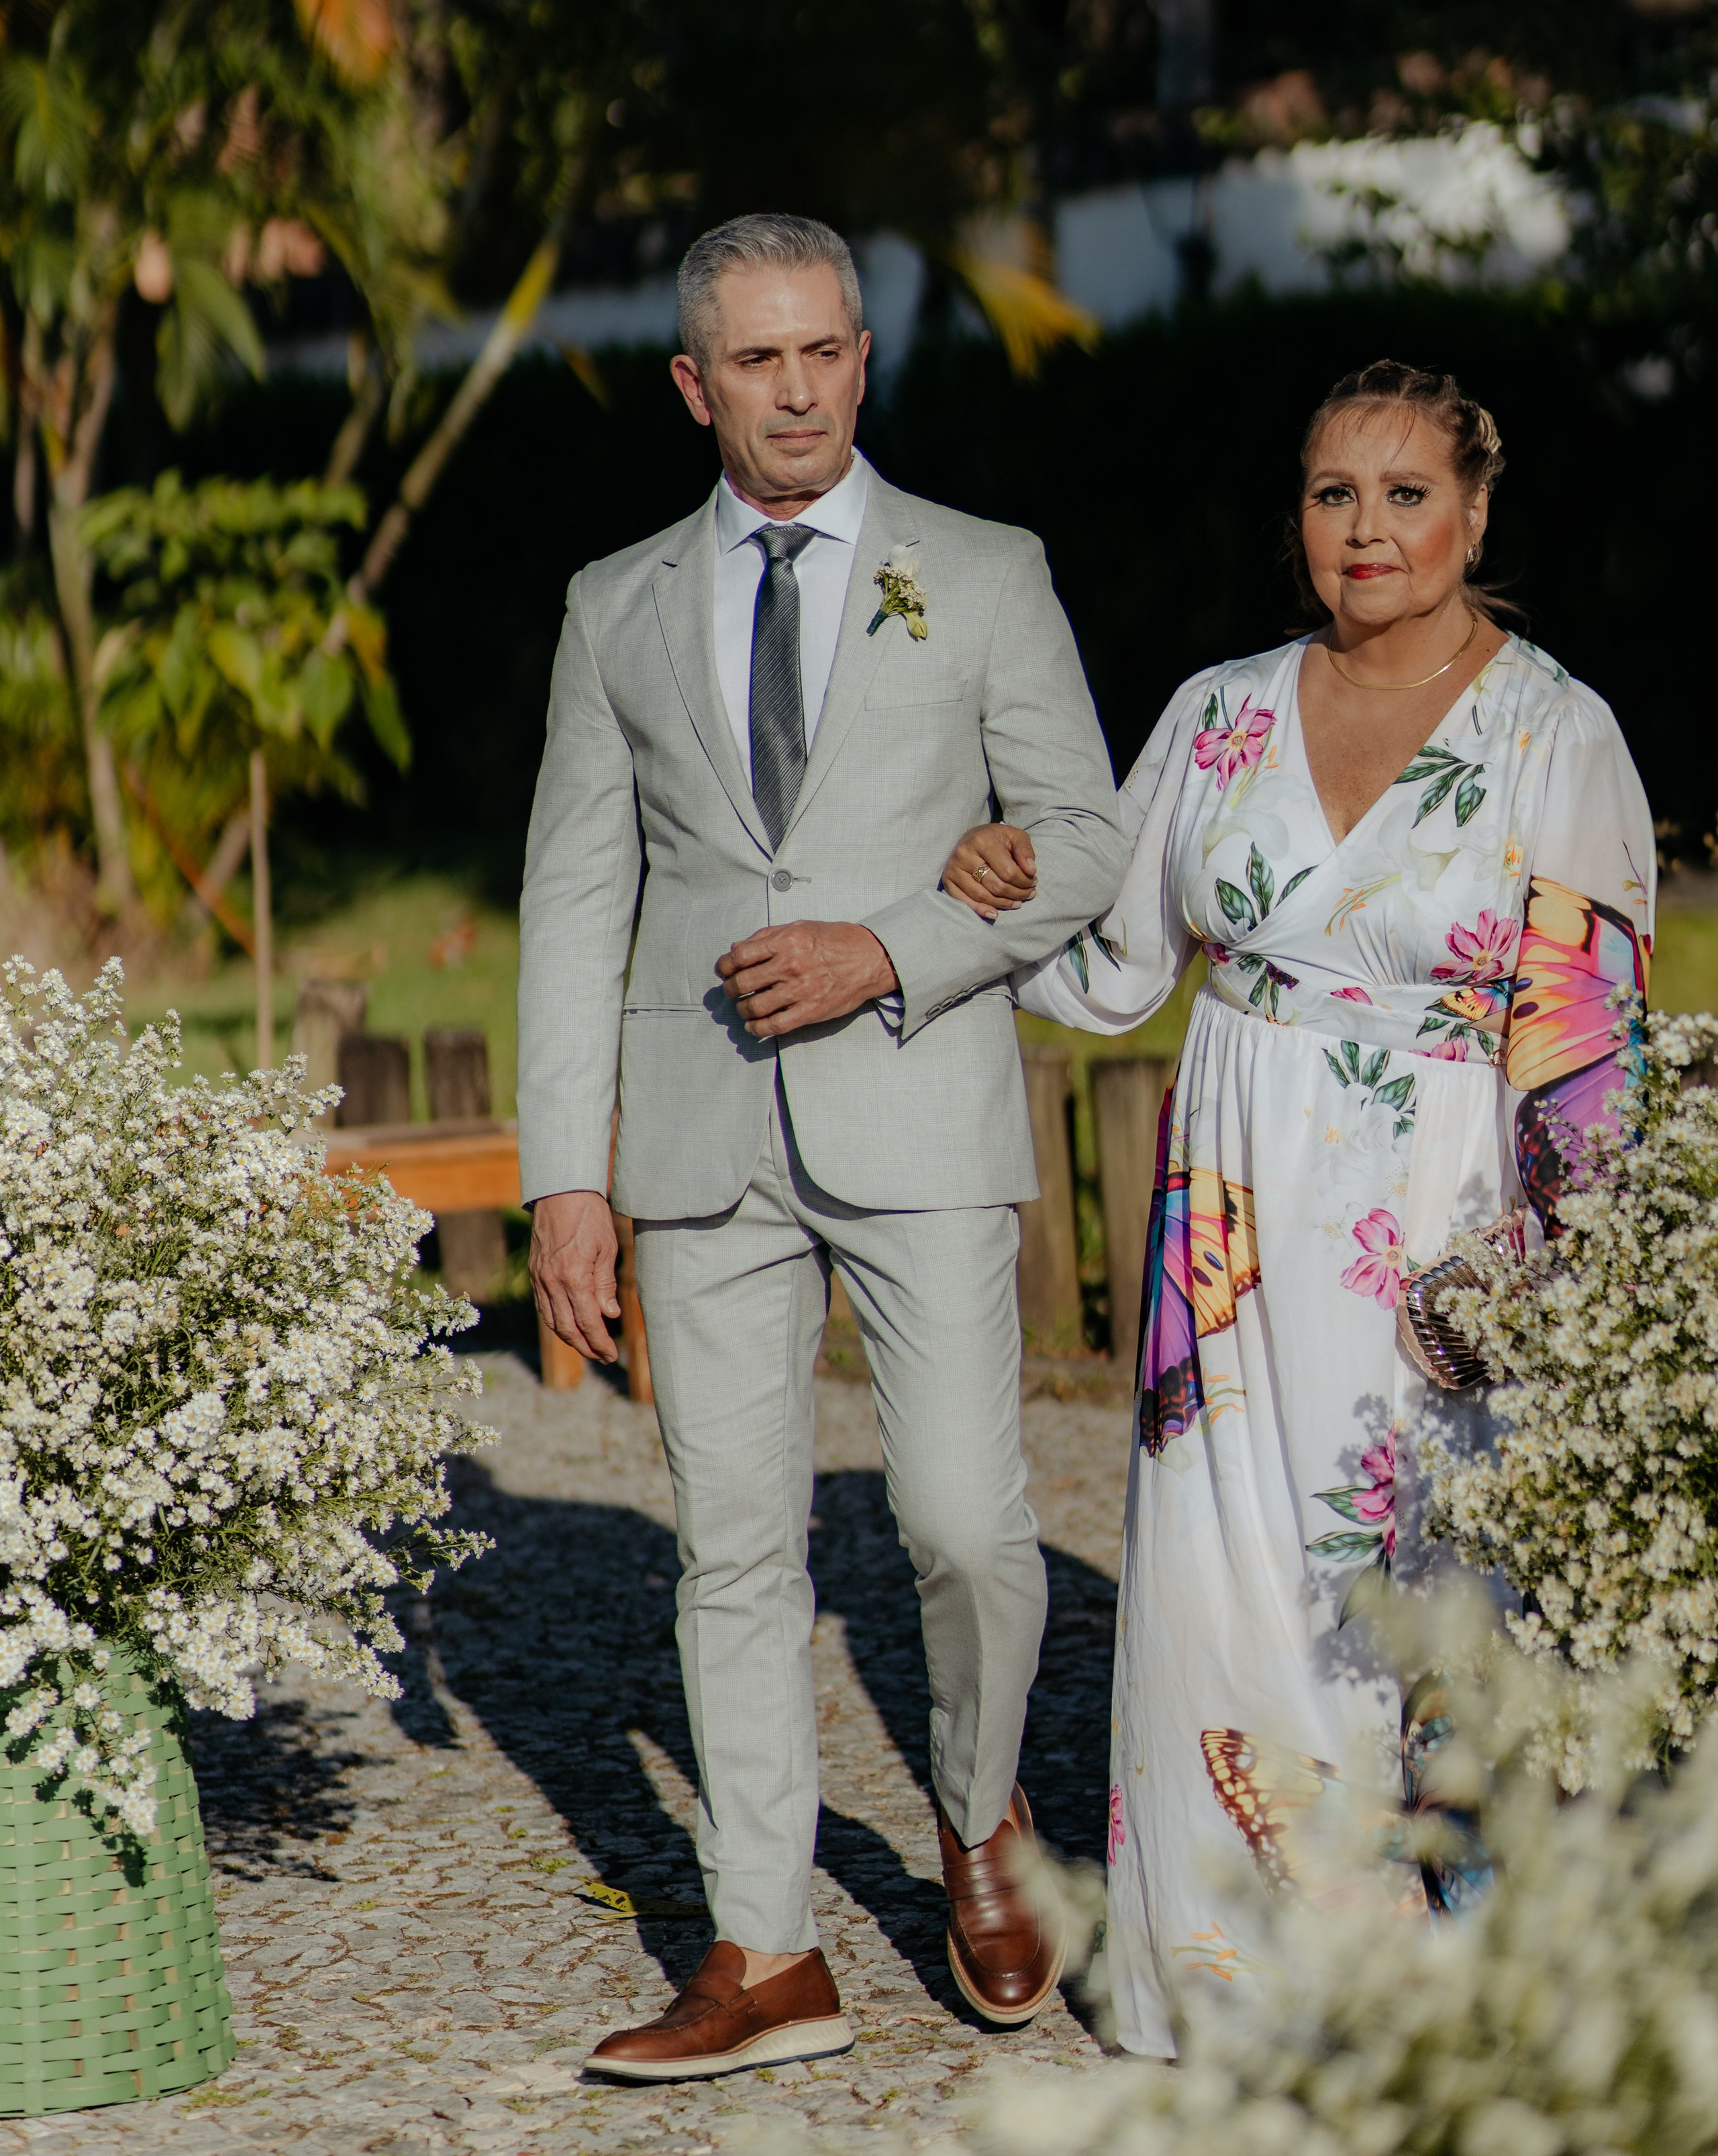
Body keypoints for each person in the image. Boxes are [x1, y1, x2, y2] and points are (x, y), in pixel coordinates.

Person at [942, 359, 1654, 2058]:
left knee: (1430, 1596)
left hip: (1445, 1231)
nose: (1367, 530)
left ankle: (1437, 2007)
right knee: (1215, 1588)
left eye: (1406, 494)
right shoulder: (1217, 712)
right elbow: (1113, 965)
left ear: (1473, 512)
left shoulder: (1555, 733)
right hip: (1230, 1230)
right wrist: (996, 880)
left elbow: (1585, 1053)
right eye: (1335, 494)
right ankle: (1227, 2000)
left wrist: (1554, 1289)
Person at [517, 212, 1130, 2081]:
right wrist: (568, 1173)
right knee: (730, 1548)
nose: (797, 390)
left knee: (962, 1519)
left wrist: (899, 948)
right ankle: (766, 1950)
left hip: (923, 1104)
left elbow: (1092, 842)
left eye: (825, 353)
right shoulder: (613, 603)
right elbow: (572, 890)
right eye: (757, 362)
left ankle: (979, 1813)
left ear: (864, 360)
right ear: (698, 383)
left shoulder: (988, 570)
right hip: (700, 1131)